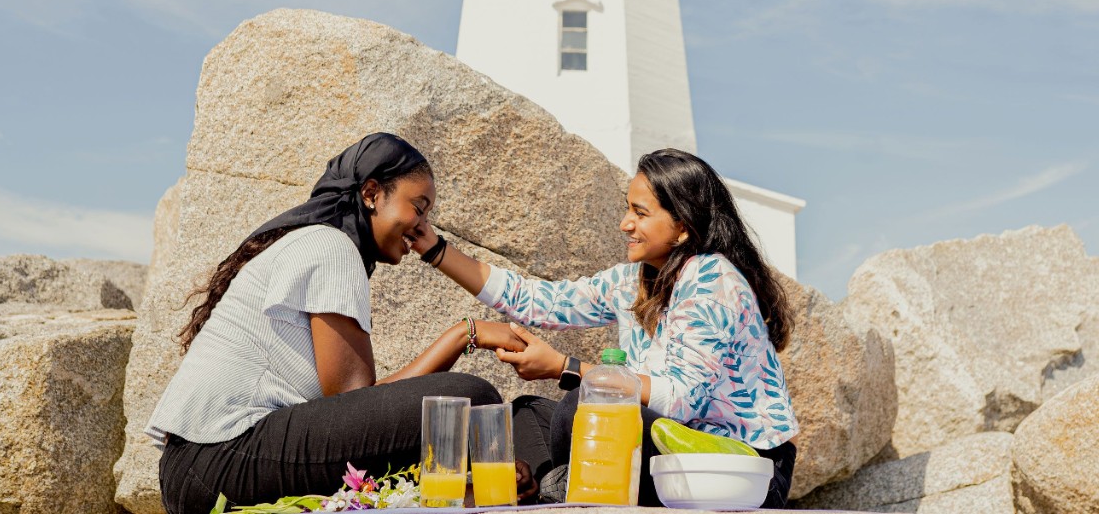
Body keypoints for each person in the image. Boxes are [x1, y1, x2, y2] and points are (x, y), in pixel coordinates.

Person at [148, 133, 529, 514]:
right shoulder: (331, 248)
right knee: (467, 397)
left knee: (455, 416)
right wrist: (465, 334)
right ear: (371, 194)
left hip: (202, 467)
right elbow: (356, 399)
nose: (423, 229)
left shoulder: (317, 243)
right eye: (418, 207)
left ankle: (464, 493)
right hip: (220, 460)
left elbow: (357, 420)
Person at [413, 147, 799, 508]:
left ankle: (559, 490)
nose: (624, 223)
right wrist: (434, 249)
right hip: (669, 453)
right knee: (526, 413)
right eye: (626, 209)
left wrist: (567, 368)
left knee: (581, 406)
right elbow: (537, 301)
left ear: (682, 225)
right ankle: (551, 488)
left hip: (737, 470)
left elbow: (683, 399)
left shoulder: (711, 278)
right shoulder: (635, 279)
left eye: (640, 213)